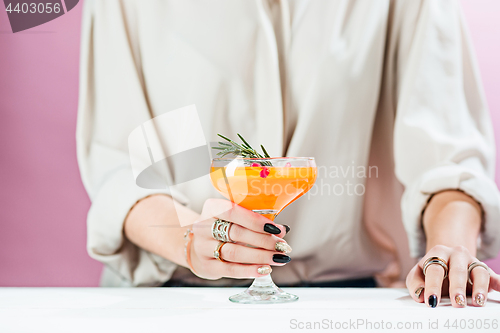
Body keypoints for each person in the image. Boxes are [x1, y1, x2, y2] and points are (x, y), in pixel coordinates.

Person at [77, 0, 500, 307]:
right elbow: (119, 167)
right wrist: (190, 237)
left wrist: (450, 247)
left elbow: (448, 162)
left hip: (346, 303)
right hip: (168, 301)